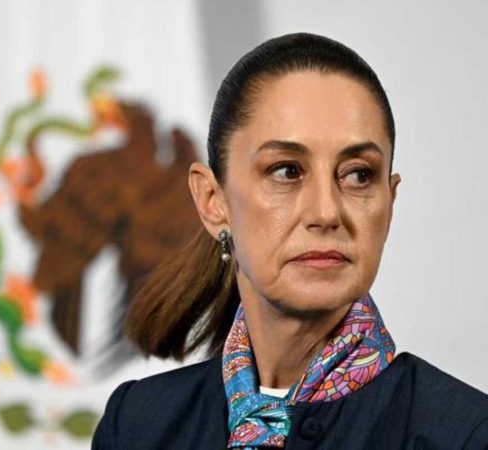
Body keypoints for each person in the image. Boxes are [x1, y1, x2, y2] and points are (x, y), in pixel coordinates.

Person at [91, 32, 488, 449]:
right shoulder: (136, 425)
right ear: (212, 201)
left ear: (389, 203)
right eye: (286, 171)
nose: (326, 212)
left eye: (359, 175)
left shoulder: (467, 435)